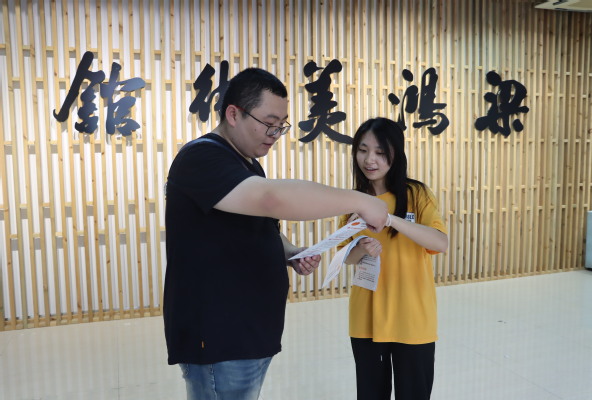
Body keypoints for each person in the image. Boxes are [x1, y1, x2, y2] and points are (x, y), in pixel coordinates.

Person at [163, 68, 389, 400]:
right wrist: (360, 200)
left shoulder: (247, 163)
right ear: (233, 114)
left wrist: (289, 252)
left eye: (281, 125)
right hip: (219, 336)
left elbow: (260, 225)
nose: (275, 134)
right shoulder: (201, 157)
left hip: (249, 331)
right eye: (269, 123)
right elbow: (271, 199)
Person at [339, 117, 448, 400]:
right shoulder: (351, 200)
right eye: (363, 150)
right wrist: (362, 247)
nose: (369, 160)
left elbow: (440, 242)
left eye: (380, 152)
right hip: (367, 318)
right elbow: (347, 258)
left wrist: (389, 219)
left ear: (395, 154)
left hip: (412, 317)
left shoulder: (417, 194)